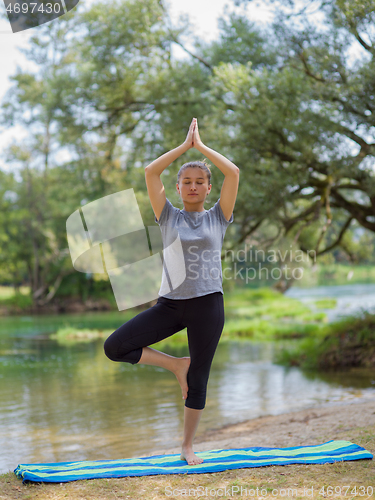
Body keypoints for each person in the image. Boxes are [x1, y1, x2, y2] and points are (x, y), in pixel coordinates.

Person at [104, 117, 239, 465]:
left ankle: (187, 446)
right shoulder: (168, 216)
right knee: (115, 346)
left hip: (208, 304)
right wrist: (184, 147)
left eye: (200, 182)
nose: (193, 187)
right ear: (177, 188)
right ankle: (175, 365)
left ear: (209, 188)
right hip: (170, 305)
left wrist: (203, 148)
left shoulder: (218, 218)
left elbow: (234, 173)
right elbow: (151, 172)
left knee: (200, 379)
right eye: (186, 182)